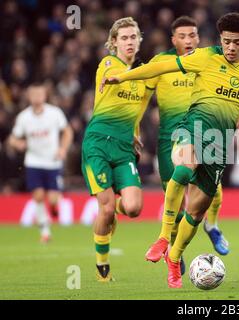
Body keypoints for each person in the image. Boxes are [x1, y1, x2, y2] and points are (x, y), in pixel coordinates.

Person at [101, 12, 239, 288]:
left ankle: (174, 257)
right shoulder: (206, 57)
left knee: (196, 212)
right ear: (220, 39)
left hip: (219, 146)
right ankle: (162, 237)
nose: (231, 47)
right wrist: (124, 77)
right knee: (184, 169)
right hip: (192, 130)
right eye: (227, 41)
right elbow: (158, 68)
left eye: (237, 42)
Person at [144, 16, 229, 268]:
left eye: (192, 35)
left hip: (202, 132)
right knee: (177, 198)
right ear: (173, 39)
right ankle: (174, 251)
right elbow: (143, 97)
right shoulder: (161, 62)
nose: (189, 40)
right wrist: (135, 128)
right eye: (183, 36)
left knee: (212, 190)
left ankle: (212, 226)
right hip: (169, 138)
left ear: (198, 37)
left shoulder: (207, 59)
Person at [81, 17, 151, 282]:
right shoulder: (109, 64)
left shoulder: (142, 78)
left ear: (139, 40)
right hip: (98, 143)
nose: (129, 42)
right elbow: (112, 75)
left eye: (133, 37)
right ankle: (102, 265)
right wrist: (116, 77)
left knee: (133, 208)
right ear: (114, 43)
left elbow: (136, 110)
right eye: (124, 38)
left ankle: (114, 211)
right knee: (106, 209)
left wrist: (134, 134)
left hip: (123, 148)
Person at [8, 82, 73, 243]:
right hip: (33, 161)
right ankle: (45, 231)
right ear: (29, 97)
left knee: (51, 198)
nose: (37, 97)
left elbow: (67, 131)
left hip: (52, 162)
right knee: (37, 196)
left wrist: (63, 149)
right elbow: (12, 138)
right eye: (33, 94)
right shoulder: (24, 117)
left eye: (40, 94)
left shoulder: (54, 113)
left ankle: (53, 207)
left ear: (45, 96)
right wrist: (18, 143)